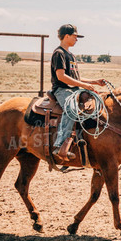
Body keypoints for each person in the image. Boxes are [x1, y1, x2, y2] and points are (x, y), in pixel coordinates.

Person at [51, 24, 106, 160]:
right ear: (67, 36)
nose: (77, 39)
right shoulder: (59, 53)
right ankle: (59, 145)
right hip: (62, 89)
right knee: (71, 109)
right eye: (75, 36)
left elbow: (75, 78)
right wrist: (84, 86)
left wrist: (94, 82)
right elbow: (61, 77)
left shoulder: (71, 55)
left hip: (73, 89)